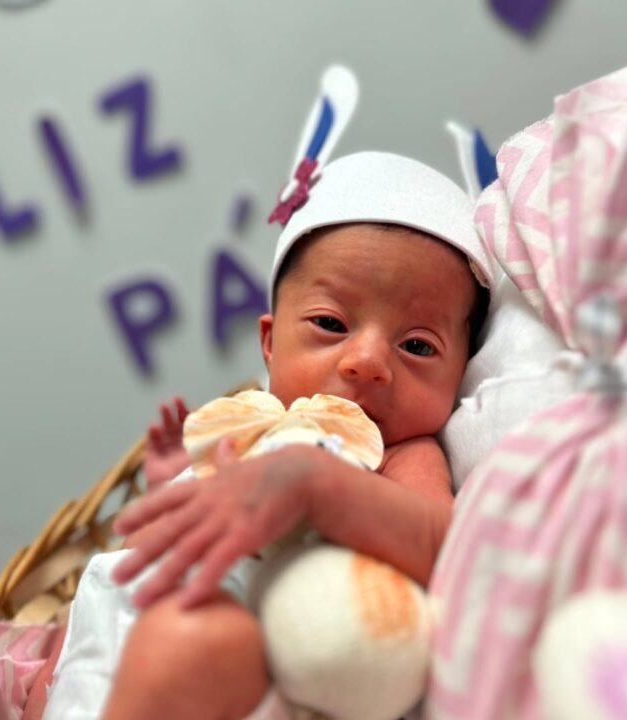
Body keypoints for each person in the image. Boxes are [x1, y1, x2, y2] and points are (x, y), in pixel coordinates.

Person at [30, 150, 493, 720]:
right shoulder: (249, 419)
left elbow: (449, 550)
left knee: (196, 642)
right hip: (109, 637)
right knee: (72, 640)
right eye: (330, 324)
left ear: (461, 372)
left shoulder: (400, 452)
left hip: (233, 668)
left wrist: (321, 485)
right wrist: (178, 480)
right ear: (271, 343)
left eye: (418, 346)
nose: (368, 361)